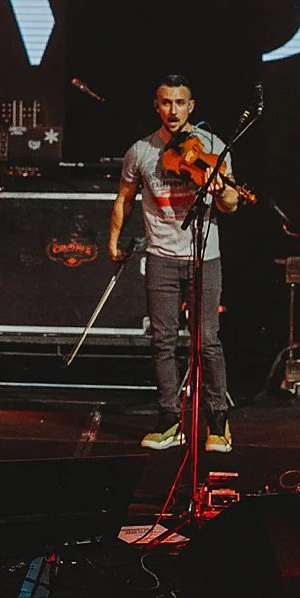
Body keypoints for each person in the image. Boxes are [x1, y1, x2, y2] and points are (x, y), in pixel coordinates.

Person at [109, 75, 243, 453]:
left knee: (208, 342)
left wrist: (224, 191)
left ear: (191, 106)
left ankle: (219, 421)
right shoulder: (142, 151)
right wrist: (113, 241)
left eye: (180, 103)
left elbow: (229, 206)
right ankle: (169, 420)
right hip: (162, 257)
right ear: (157, 106)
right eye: (166, 103)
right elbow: (124, 197)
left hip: (204, 256)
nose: (173, 110)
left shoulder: (214, 148)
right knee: (162, 341)